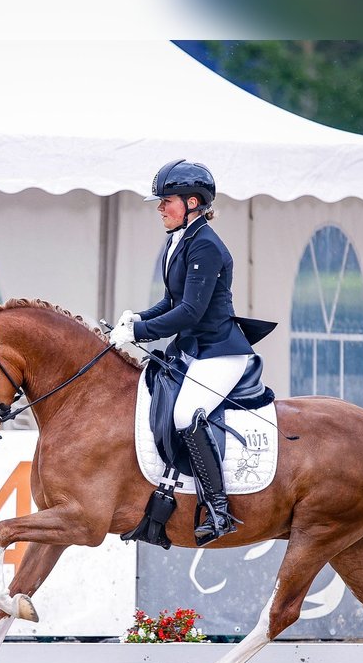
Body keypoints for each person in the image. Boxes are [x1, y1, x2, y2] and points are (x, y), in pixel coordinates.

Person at [110, 159, 272, 546]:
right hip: (192, 350)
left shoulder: (207, 245)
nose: (160, 208)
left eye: (167, 201)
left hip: (219, 353)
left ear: (193, 202)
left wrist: (141, 333)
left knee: (186, 413)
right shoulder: (178, 239)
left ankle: (218, 509)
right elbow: (170, 299)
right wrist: (137, 317)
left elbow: (190, 312)